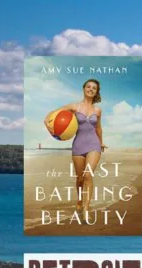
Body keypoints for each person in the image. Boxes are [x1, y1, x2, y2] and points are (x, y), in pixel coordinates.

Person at [45, 79, 105, 221]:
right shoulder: (74, 106)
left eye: (94, 88)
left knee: (88, 175)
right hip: (78, 145)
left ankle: (86, 208)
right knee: (80, 178)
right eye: (89, 86)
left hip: (94, 145)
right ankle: (79, 201)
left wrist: (101, 143)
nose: (91, 89)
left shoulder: (98, 110)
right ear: (84, 88)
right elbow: (55, 113)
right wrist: (47, 122)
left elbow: (98, 128)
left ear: (96, 92)